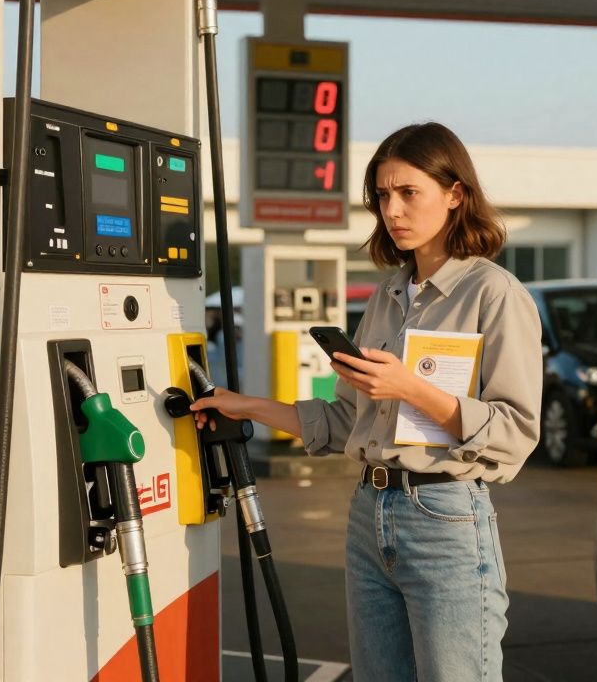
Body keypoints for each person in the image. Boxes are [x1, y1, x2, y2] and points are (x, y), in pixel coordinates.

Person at [191, 122, 542, 681]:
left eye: (409, 193)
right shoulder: (386, 297)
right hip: (368, 515)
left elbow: (516, 431)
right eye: (383, 196)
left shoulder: (494, 293)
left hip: (445, 516)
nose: (393, 210)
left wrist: (411, 389)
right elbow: (344, 422)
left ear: (455, 195)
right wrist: (247, 406)